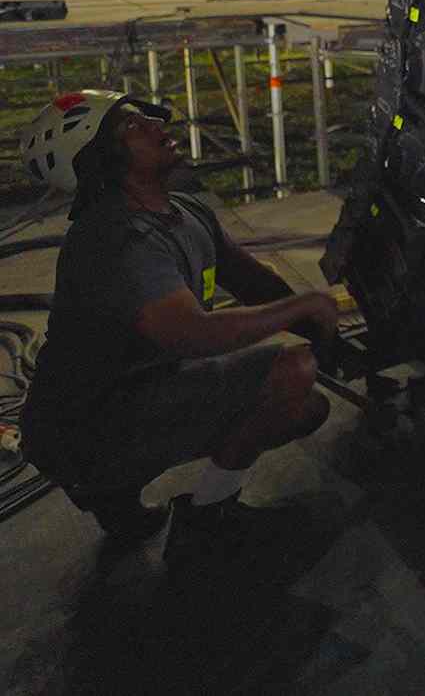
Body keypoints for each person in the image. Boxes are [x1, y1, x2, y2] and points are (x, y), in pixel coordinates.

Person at [18, 90, 338, 558]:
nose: (153, 123)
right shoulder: (117, 239)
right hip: (82, 426)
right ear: (101, 161)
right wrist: (302, 309)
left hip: (122, 398)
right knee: (292, 374)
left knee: (307, 406)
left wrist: (328, 330)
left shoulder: (187, 212)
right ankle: (206, 519)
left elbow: (255, 284)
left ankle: (111, 495)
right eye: (132, 126)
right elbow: (193, 334)